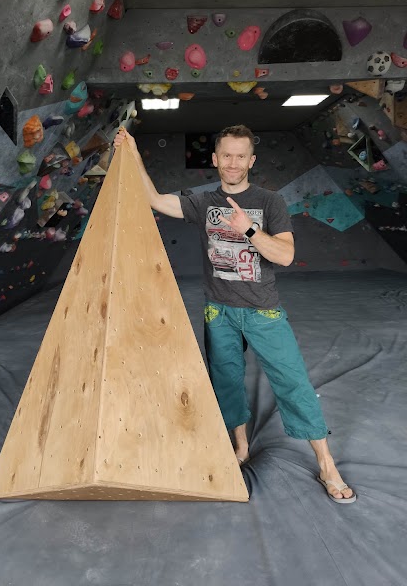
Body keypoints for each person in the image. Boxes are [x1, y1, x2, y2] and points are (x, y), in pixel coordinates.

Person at [113, 124, 356, 504]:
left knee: (294, 384)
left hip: (263, 312)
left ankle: (327, 464)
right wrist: (132, 153)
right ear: (214, 159)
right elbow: (155, 199)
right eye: (226, 155)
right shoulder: (204, 201)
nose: (232, 162)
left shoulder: (270, 201)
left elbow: (285, 256)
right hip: (219, 311)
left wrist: (249, 230)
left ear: (251, 161)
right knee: (226, 381)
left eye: (240, 156)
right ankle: (241, 446)